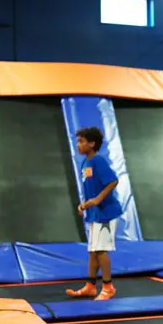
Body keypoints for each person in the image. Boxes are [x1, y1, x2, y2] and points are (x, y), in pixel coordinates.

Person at [66, 126, 123, 301]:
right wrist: (84, 205)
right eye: (78, 141)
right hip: (94, 213)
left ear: (92, 144)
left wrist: (98, 200)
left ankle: (108, 286)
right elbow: (90, 187)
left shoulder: (98, 161)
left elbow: (113, 181)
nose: (78, 145)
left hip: (105, 213)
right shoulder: (85, 163)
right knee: (92, 251)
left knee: (100, 251)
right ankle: (91, 286)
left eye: (82, 141)